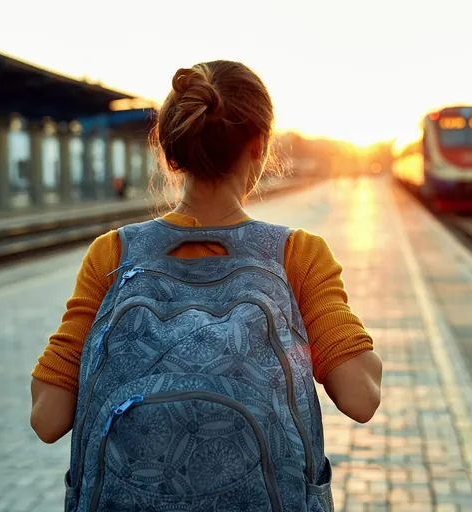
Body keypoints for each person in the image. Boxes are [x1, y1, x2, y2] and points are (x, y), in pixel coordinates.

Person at [30, 60, 383, 511]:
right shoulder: (298, 254)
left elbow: (47, 418)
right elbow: (360, 397)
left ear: (170, 153)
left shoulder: (113, 254)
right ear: (260, 145)